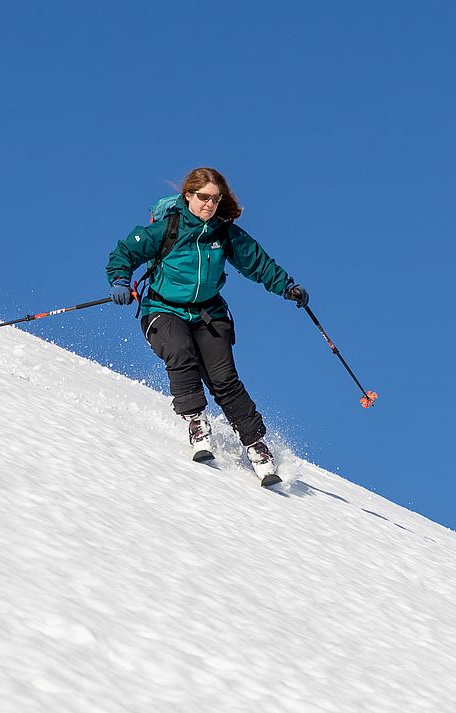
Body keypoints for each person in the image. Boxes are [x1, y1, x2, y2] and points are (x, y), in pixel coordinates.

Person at [106, 167, 308, 484]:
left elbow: (257, 262)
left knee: (224, 379)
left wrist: (286, 286)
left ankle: (256, 445)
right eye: (203, 197)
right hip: (163, 308)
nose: (209, 205)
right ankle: (197, 422)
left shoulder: (222, 233)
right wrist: (120, 279)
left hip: (208, 313)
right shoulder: (167, 228)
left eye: (215, 199)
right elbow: (126, 251)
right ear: (188, 195)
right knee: (180, 353)